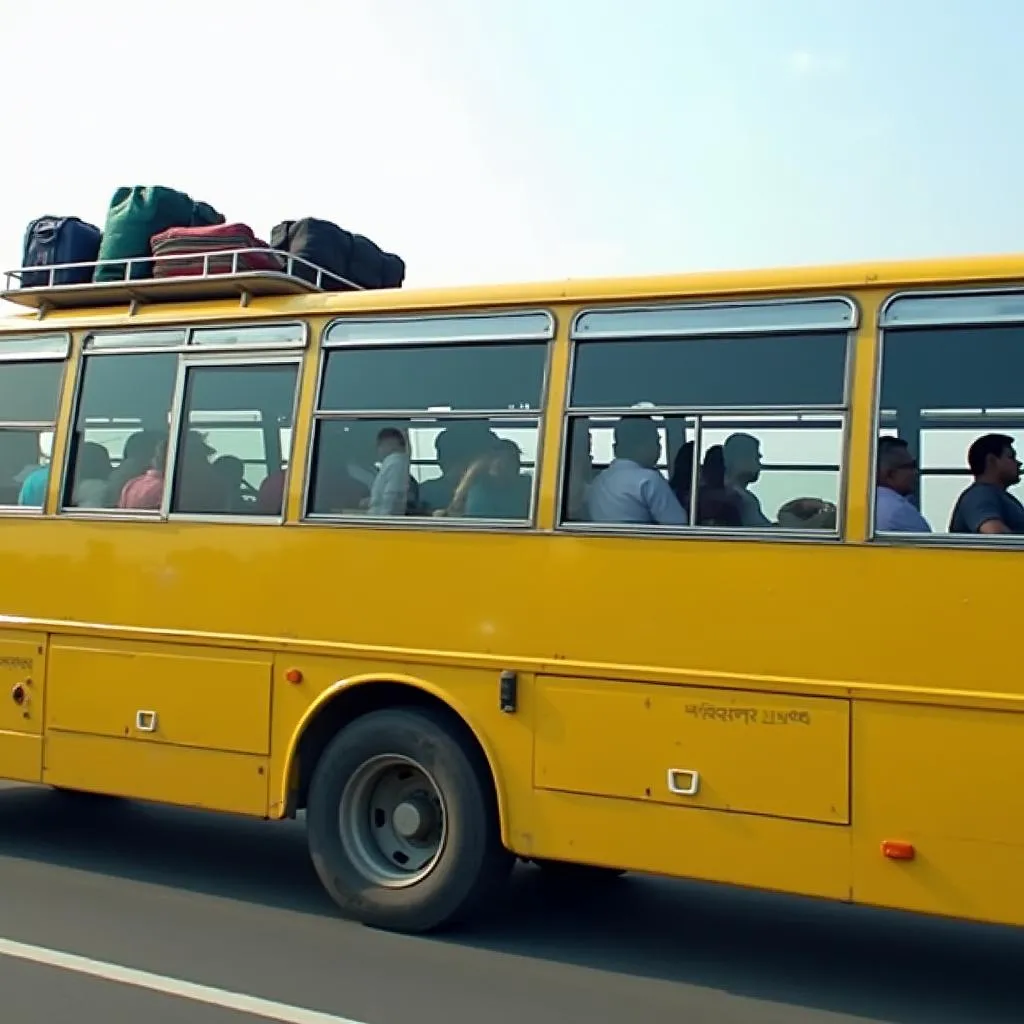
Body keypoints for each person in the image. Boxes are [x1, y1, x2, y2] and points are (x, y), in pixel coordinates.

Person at [586, 417, 688, 525]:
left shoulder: (599, 480)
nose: (659, 448)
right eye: (657, 441)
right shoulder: (649, 480)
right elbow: (678, 524)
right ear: (643, 445)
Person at [949, 432, 1024, 534]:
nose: (1019, 463)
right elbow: (994, 532)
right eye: (1011, 457)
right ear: (991, 461)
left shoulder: (997, 496)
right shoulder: (979, 495)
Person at [875, 436, 931, 532]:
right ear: (890, 474)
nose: (916, 472)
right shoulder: (899, 511)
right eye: (911, 466)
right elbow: (930, 544)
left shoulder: (863, 504)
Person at [366, 427, 410, 516]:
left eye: (379, 445)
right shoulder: (391, 463)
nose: (377, 450)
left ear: (390, 444)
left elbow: (391, 498)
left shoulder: (395, 464)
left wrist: (383, 521)